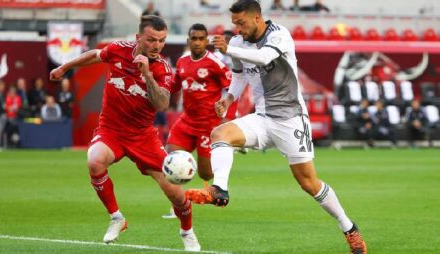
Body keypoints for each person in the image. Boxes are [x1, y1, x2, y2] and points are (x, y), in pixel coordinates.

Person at [185, 1, 367, 253]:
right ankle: (220, 190)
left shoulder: (280, 35)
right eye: (234, 23)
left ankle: (348, 227)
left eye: (241, 22)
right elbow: (239, 76)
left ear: (257, 18)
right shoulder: (237, 43)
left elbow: (264, 57)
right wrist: (228, 99)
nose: (237, 28)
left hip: (291, 119)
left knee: (308, 183)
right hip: (262, 118)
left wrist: (229, 49)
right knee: (220, 133)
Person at [49, 15, 200, 251]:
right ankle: (117, 218)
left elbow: (161, 105)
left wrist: (147, 74)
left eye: (162, 41)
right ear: (139, 38)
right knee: (95, 161)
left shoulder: (162, 68)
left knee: (176, 194)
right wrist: (64, 67)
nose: (157, 45)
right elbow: (95, 55)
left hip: (143, 136)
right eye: (151, 40)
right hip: (111, 130)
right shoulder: (119, 49)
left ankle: (187, 231)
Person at [161, 23, 233, 219]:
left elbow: (233, 85)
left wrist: (224, 106)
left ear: (207, 41)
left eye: (202, 39)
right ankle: (178, 207)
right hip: (186, 121)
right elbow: (174, 85)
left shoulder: (215, 64)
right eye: (194, 38)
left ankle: (207, 189)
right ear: (188, 40)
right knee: (170, 162)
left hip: (207, 125)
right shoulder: (183, 61)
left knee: (206, 174)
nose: (198, 42)